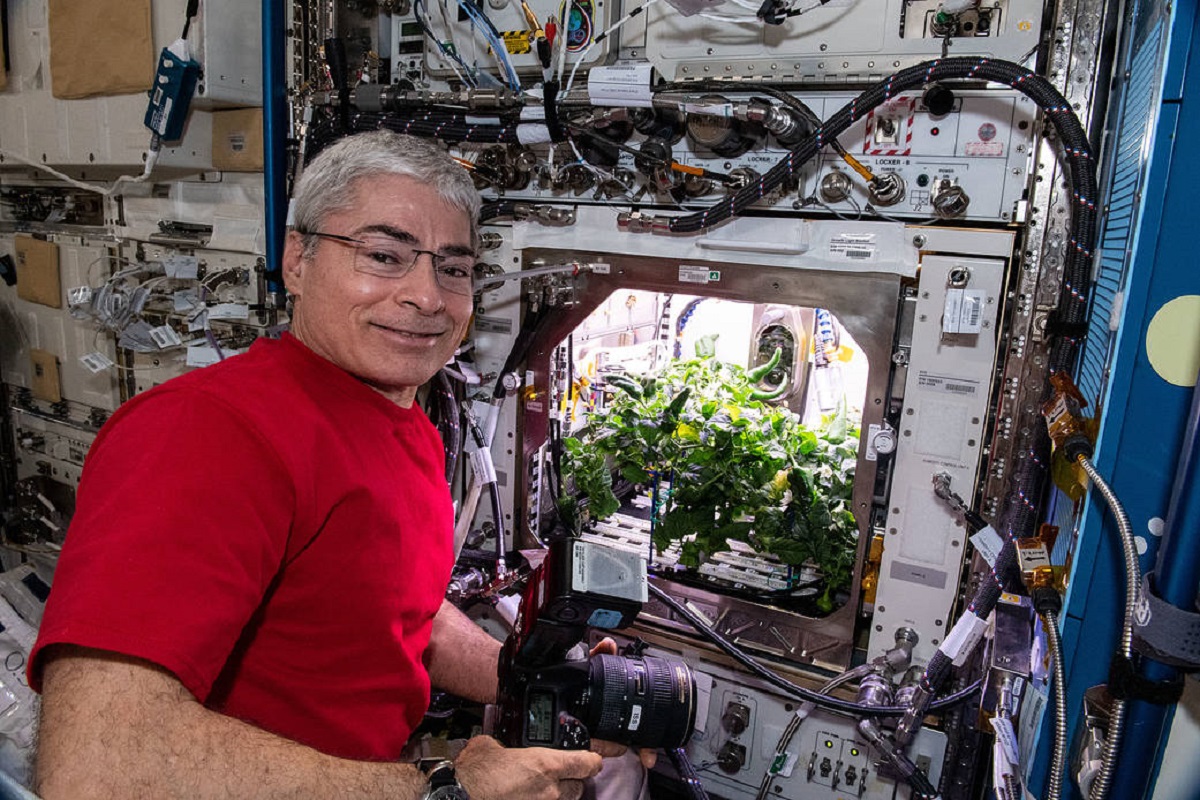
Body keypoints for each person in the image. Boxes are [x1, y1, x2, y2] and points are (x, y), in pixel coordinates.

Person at [28, 130, 620, 799]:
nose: (428, 297)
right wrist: (441, 790)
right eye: (383, 255)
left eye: (453, 269)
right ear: (297, 261)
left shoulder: (402, 421)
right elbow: (97, 769)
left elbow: (399, 613)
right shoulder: (207, 434)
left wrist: (533, 679)